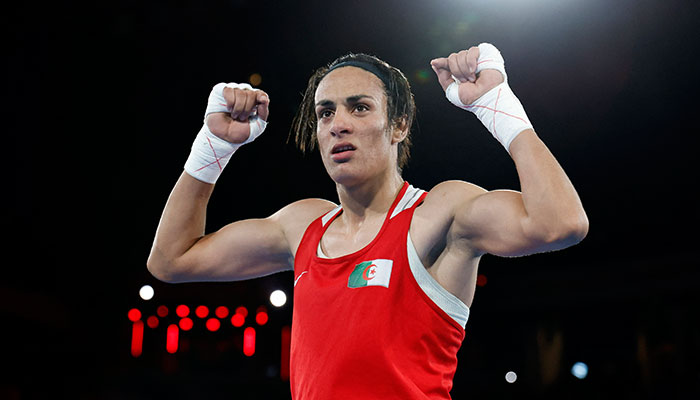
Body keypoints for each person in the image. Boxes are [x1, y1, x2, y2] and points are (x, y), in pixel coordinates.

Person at [147, 43, 589, 399]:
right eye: (325, 112)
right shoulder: (303, 227)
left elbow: (562, 223)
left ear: (397, 126)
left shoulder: (438, 214)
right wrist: (212, 148)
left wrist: (498, 106)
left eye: (359, 107)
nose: (338, 124)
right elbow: (170, 260)